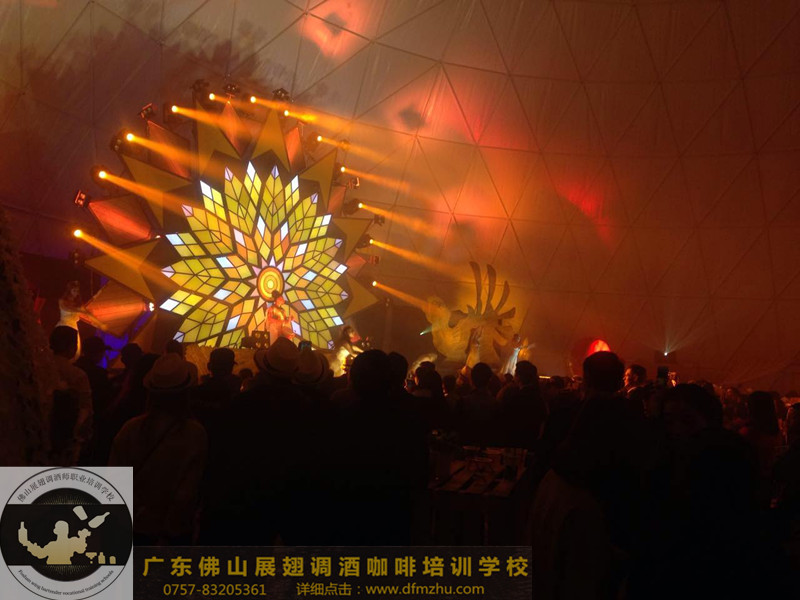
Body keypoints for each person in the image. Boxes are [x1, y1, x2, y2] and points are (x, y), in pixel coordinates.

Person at [109, 353, 208, 545]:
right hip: (169, 532)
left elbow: (114, 476)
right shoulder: (195, 433)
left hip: (132, 523)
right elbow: (186, 493)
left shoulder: (131, 428)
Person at [49, 326, 92, 464]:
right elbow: (85, 409)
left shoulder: (38, 367)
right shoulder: (77, 375)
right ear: (72, 347)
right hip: (66, 440)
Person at [56, 281, 103, 356]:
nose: (76, 293)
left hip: (74, 327)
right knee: (62, 348)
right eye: (74, 291)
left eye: (77, 291)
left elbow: (88, 314)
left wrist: (100, 324)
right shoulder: (62, 301)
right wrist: (79, 310)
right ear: (69, 291)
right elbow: (67, 308)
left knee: (74, 350)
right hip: (63, 326)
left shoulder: (78, 304)